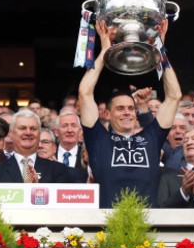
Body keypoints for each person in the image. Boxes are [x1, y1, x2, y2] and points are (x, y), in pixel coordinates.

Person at [78, 20, 182, 208]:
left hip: (148, 226)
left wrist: (160, 51)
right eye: (120, 108)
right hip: (107, 226)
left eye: (131, 108)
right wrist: (105, 51)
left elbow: (174, 96)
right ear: (107, 114)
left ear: (136, 113)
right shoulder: (98, 139)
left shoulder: (151, 137)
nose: (127, 112)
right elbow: (85, 92)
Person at [0, 111, 69, 183]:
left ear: (39, 134)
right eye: (22, 128)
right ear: (11, 133)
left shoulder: (58, 169)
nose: (28, 133)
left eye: (33, 129)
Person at [54, 110, 88, 182]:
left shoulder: (88, 156)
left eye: (73, 126)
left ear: (80, 131)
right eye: (64, 126)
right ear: (56, 132)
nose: (69, 130)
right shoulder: (50, 155)